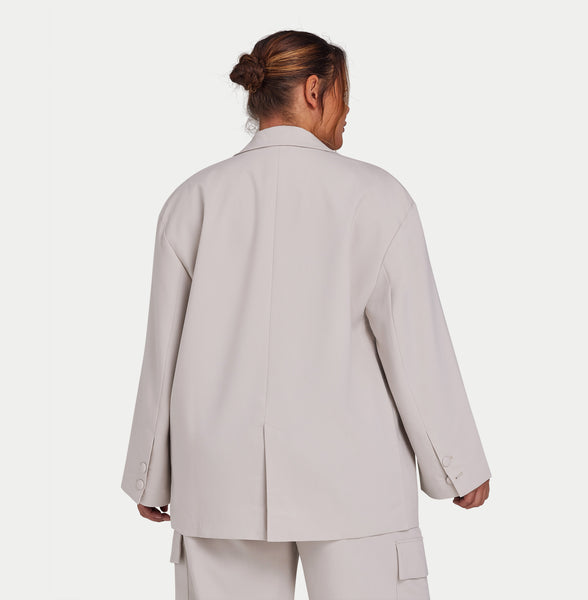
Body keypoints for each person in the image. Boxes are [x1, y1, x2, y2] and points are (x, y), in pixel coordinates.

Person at [120, 29, 491, 600]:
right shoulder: (376, 196)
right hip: (354, 483)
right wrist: (457, 465)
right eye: (345, 93)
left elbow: (162, 350)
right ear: (315, 90)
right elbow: (414, 345)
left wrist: (149, 471)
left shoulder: (193, 199)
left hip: (220, 481)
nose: (349, 110)